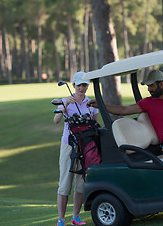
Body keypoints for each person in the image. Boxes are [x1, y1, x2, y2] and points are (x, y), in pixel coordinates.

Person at [53, 71, 98, 226]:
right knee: (65, 182)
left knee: (80, 182)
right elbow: (56, 120)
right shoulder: (65, 100)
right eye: (79, 85)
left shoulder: (90, 103)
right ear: (73, 86)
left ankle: (76, 217)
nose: (82, 88)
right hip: (69, 145)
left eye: (84, 85)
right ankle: (61, 219)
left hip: (85, 145)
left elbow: (95, 125)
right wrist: (65, 105)